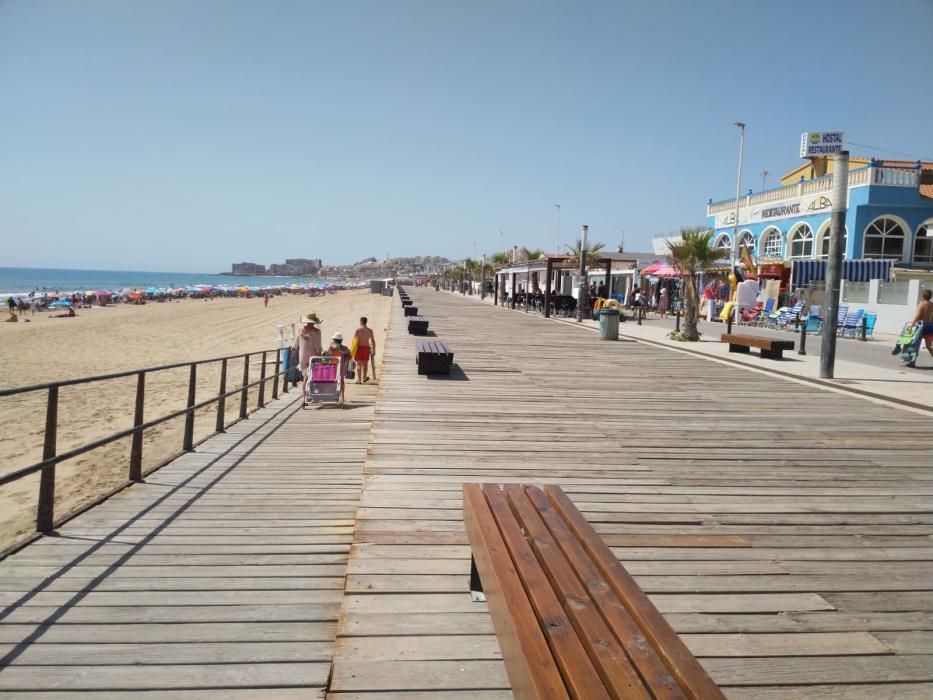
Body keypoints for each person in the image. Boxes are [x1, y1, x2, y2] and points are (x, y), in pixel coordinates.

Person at [293, 312, 323, 387]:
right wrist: (320, 356)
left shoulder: (300, 330)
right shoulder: (317, 332)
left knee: (305, 376)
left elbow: (295, 344)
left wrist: (293, 353)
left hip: (302, 357)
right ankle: (309, 393)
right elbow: (317, 346)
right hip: (313, 356)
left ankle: (305, 395)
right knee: (311, 376)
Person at [907, 289, 933, 367]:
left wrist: (911, 325)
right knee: (929, 346)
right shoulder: (932, 304)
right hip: (930, 326)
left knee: (915, 344)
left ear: (923, 296)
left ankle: (912, 362)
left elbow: (917, 315)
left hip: (922, 326)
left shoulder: (921, 304)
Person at [325, 331, 352, 404]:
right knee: (341, 381)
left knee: (334, 381)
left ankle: (335, 395)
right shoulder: (345, 348)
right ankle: (342, 396)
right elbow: (349, 356)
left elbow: (328, 356)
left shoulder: (331, 347)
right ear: (341, 340)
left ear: (334, 340)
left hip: (333, 367)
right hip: (342, 366)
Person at [352, 317, 376, 383]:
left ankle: (359, 380)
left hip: (359, 348)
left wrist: (353, 350)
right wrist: (373, 350)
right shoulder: (370, 331)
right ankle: (364, 378)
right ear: (366, 322)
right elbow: (373, 341)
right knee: (365, 364)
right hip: (366, 348)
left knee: (358, 364)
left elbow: (354, 341)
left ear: (361, 322)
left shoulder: (358, 330)